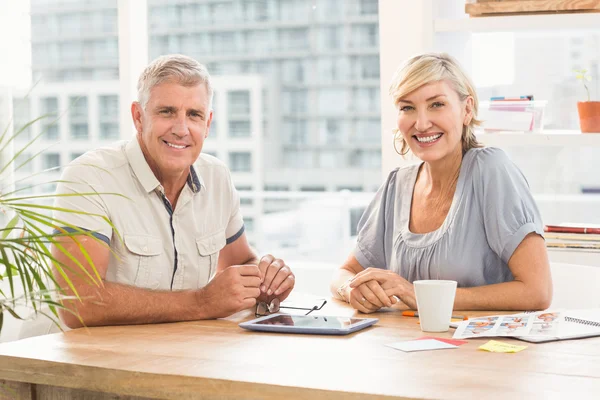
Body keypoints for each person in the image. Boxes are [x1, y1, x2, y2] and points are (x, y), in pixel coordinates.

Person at [51, 54, 295, 328]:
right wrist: (202, 302)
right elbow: (78, 303)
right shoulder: (89, 178)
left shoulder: (217, 177)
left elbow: (242, 262)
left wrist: (266, 281)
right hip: (86, 365)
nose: (181, 129)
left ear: (208, 123)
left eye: (194, 115)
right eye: (166, 112)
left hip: (178, 355)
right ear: (138, 117)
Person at [330, 53, 552, 313]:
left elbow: (537, 292)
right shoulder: (396, 185)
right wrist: (353, 289)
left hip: (484, 350)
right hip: (405, 346)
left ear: (467, 110)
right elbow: (344, 273)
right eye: (407, 107)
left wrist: (417, 295)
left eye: (436, 104)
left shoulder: (490, 170)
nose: (421, 124)